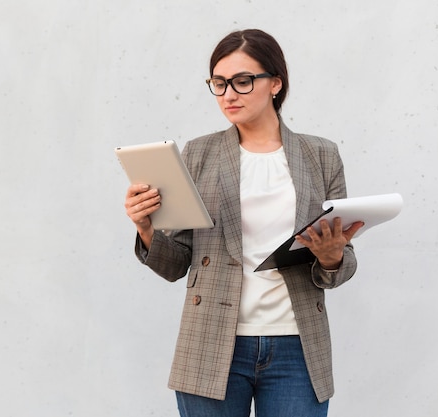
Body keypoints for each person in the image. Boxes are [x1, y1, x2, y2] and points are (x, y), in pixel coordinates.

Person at [123, 29, 364, 417]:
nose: (228, 95)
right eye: (218, 84)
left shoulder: (321, 155)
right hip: (211, 342)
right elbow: (176, 264)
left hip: (296, 346)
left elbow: (343, 264)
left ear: (276, 83)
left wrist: (332, 257)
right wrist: (147, 229)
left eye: (242, 81)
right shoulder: (199, 153)